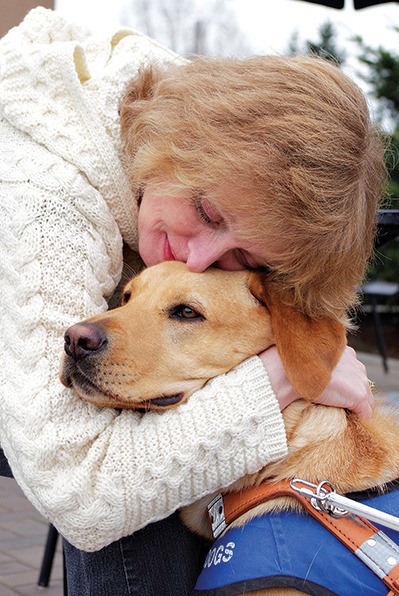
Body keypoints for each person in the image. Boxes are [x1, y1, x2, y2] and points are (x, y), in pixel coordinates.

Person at [0, 7, 384, 596]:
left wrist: (305, 350)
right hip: (18, 368)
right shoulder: (43, 206)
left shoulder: (239, 136)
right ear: (174, 148)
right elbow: (76, 488)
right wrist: (281, 378)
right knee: (131, 504)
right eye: (206, 212)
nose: (200, 258)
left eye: (244, 255)